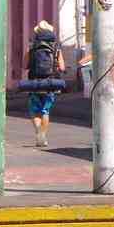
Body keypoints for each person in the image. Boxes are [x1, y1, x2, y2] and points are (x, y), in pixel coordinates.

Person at [23, 20, 65, 148]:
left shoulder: (32, 47)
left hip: (34, 83)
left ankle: (38, 131)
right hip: (50, 83)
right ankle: (43, 135)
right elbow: (62, 67)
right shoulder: (56, 48)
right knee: (45, 111)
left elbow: (25, 65)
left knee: (35, 111)